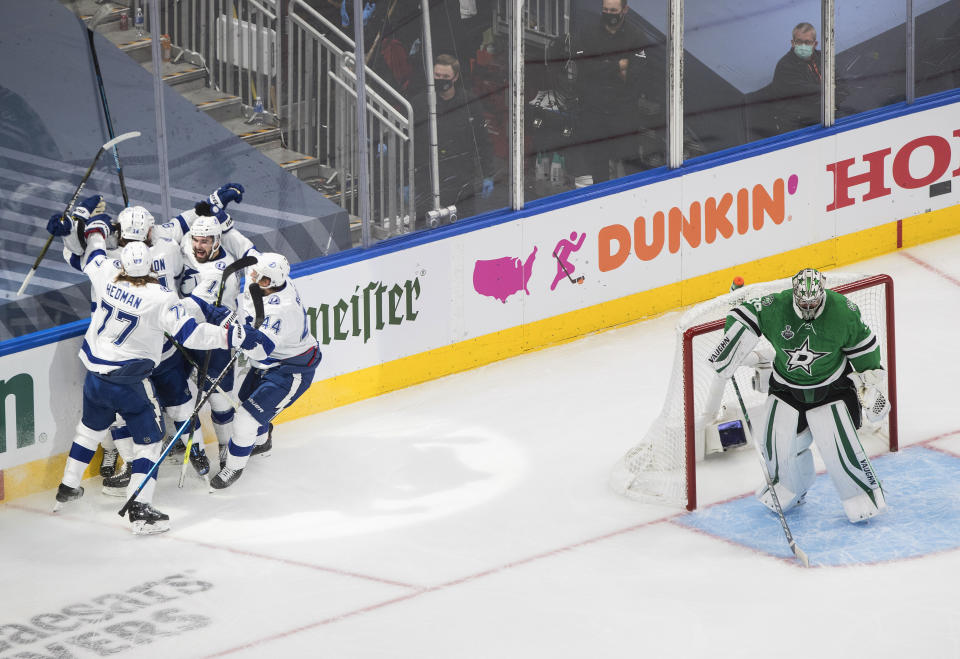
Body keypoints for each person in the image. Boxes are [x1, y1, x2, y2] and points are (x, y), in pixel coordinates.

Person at [47, 215, 241, 534]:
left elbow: (92, 249)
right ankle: (140, 509)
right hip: (130, 381)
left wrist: (89, 225)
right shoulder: (160, 298)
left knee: (89, 429)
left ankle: (67, 487)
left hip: (96, 375)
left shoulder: (107, 274)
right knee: (149, 443)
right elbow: (192, 336)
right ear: (151, 266)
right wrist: (229, 336)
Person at [707, 268, 889, 523]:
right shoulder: (776, 305)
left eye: (813, 301)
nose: (808, 306)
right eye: (803, 301)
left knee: (838, 447)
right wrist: (732, 343)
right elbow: (746, 312)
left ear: (822, 291)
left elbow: (866, 352)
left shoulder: (843, 311)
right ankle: (788, 488)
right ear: (794, 294)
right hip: (786, 387)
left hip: (831, 389)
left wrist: (870, 385)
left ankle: (862, 497)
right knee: (777, 443)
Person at [194, 253, 321, 489]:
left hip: (290, 370)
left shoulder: (281, 310)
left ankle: (233, 467)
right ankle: (262, 442)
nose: (253, 278)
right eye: (255, 273)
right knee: (245, 403)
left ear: (270, 283)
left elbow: (259, 351)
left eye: (260, 278)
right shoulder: (272, 284)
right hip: (271, 362)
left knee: (244, 420)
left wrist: (231, 328)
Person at [567, 0, 662, 185]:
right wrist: (619, 65)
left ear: (624, 10)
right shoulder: (588, 32)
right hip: (594, 112)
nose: (609, 13)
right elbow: (584, 66)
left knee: (629, 163)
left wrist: (602, 65)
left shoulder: (636, 36)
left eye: (613, 10)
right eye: (605, 9)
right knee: (597, 166)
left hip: (623, 112)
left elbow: (636, 73)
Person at [411, 53, 496, 226]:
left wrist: (488, 174)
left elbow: (483, 141)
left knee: (463, 226)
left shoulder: (469, 102)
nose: (441, 80)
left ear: (455, 77)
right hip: (427, 180)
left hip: (461, 180)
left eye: (446, 77)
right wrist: (405, 182)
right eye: (437, 76)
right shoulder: (420, 104)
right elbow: (409, 144)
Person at [768, 22, 824, 133]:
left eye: (807, 42)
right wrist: (829, 89)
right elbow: (809, 93)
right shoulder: (785, 66)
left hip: (820, 114)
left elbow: (839, 82)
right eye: (799, 42)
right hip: (796, 125)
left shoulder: (823, 57)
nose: (803, 46)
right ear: (793, 43)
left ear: (815, 44)